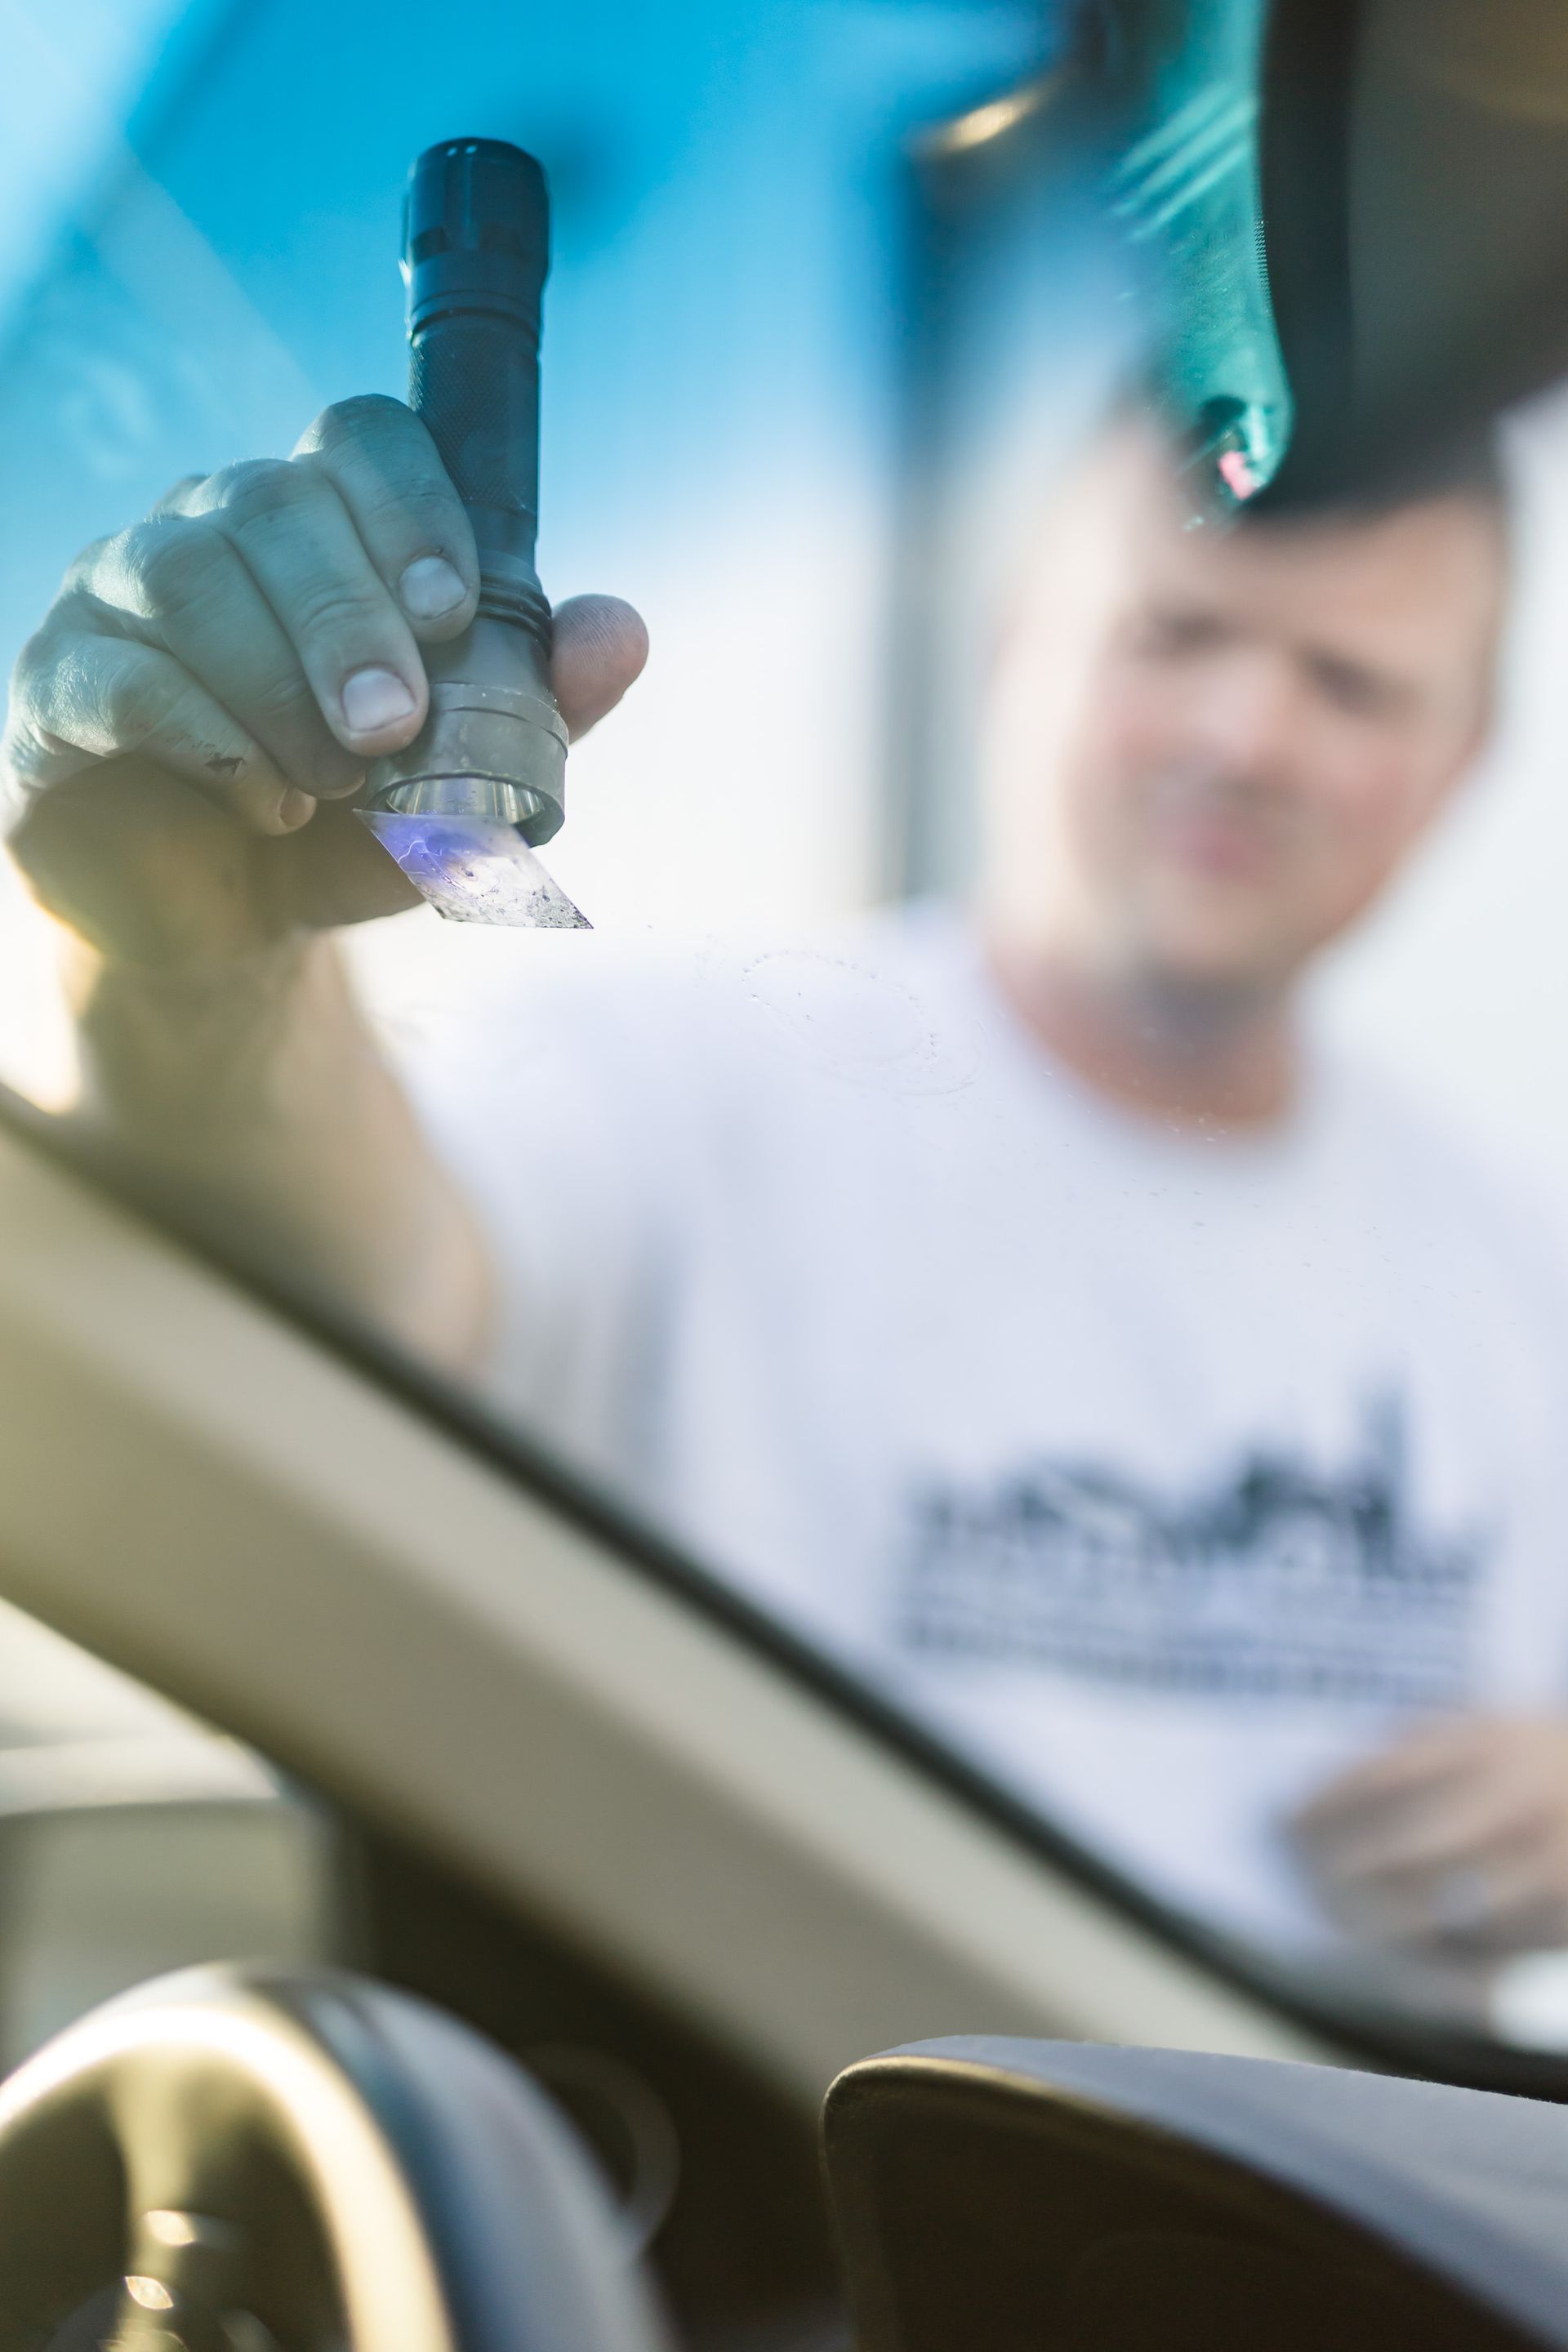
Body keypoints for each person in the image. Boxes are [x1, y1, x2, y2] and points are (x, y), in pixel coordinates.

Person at [7, 394, 1568, 1962]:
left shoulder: (1515, 1261)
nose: (1248, 738)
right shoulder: (660, 1074)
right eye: (1176, 634)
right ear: (1015, 638)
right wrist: (200, 961)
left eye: (1353, 687)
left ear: (1464, 759)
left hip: (1347, 2197)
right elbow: (353, 1284)